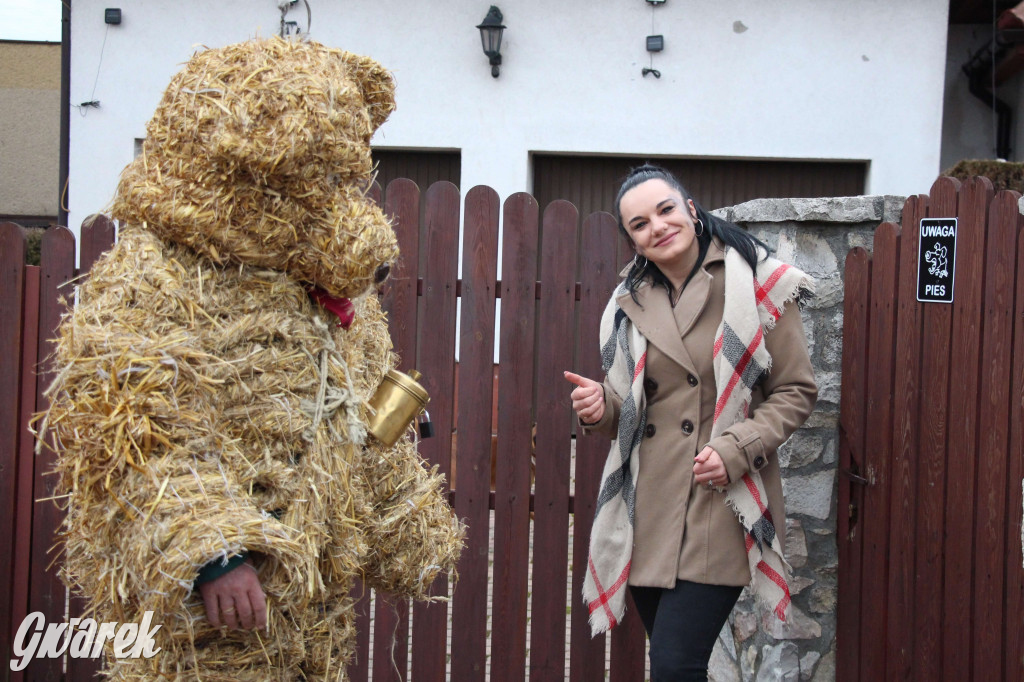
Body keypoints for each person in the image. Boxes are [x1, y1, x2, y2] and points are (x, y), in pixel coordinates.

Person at [565, 164, 817, 681]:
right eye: (639, 224)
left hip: (717, 498)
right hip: (647, 505)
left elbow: (795, 392)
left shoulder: (760, 282)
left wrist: (736, 447)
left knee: (676, 665)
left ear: (691, 210)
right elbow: (630, 406)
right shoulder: (626, 301)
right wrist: (601, 409)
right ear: (633, 241)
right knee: (677, 665)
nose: (656, 227)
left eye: (665, 210)